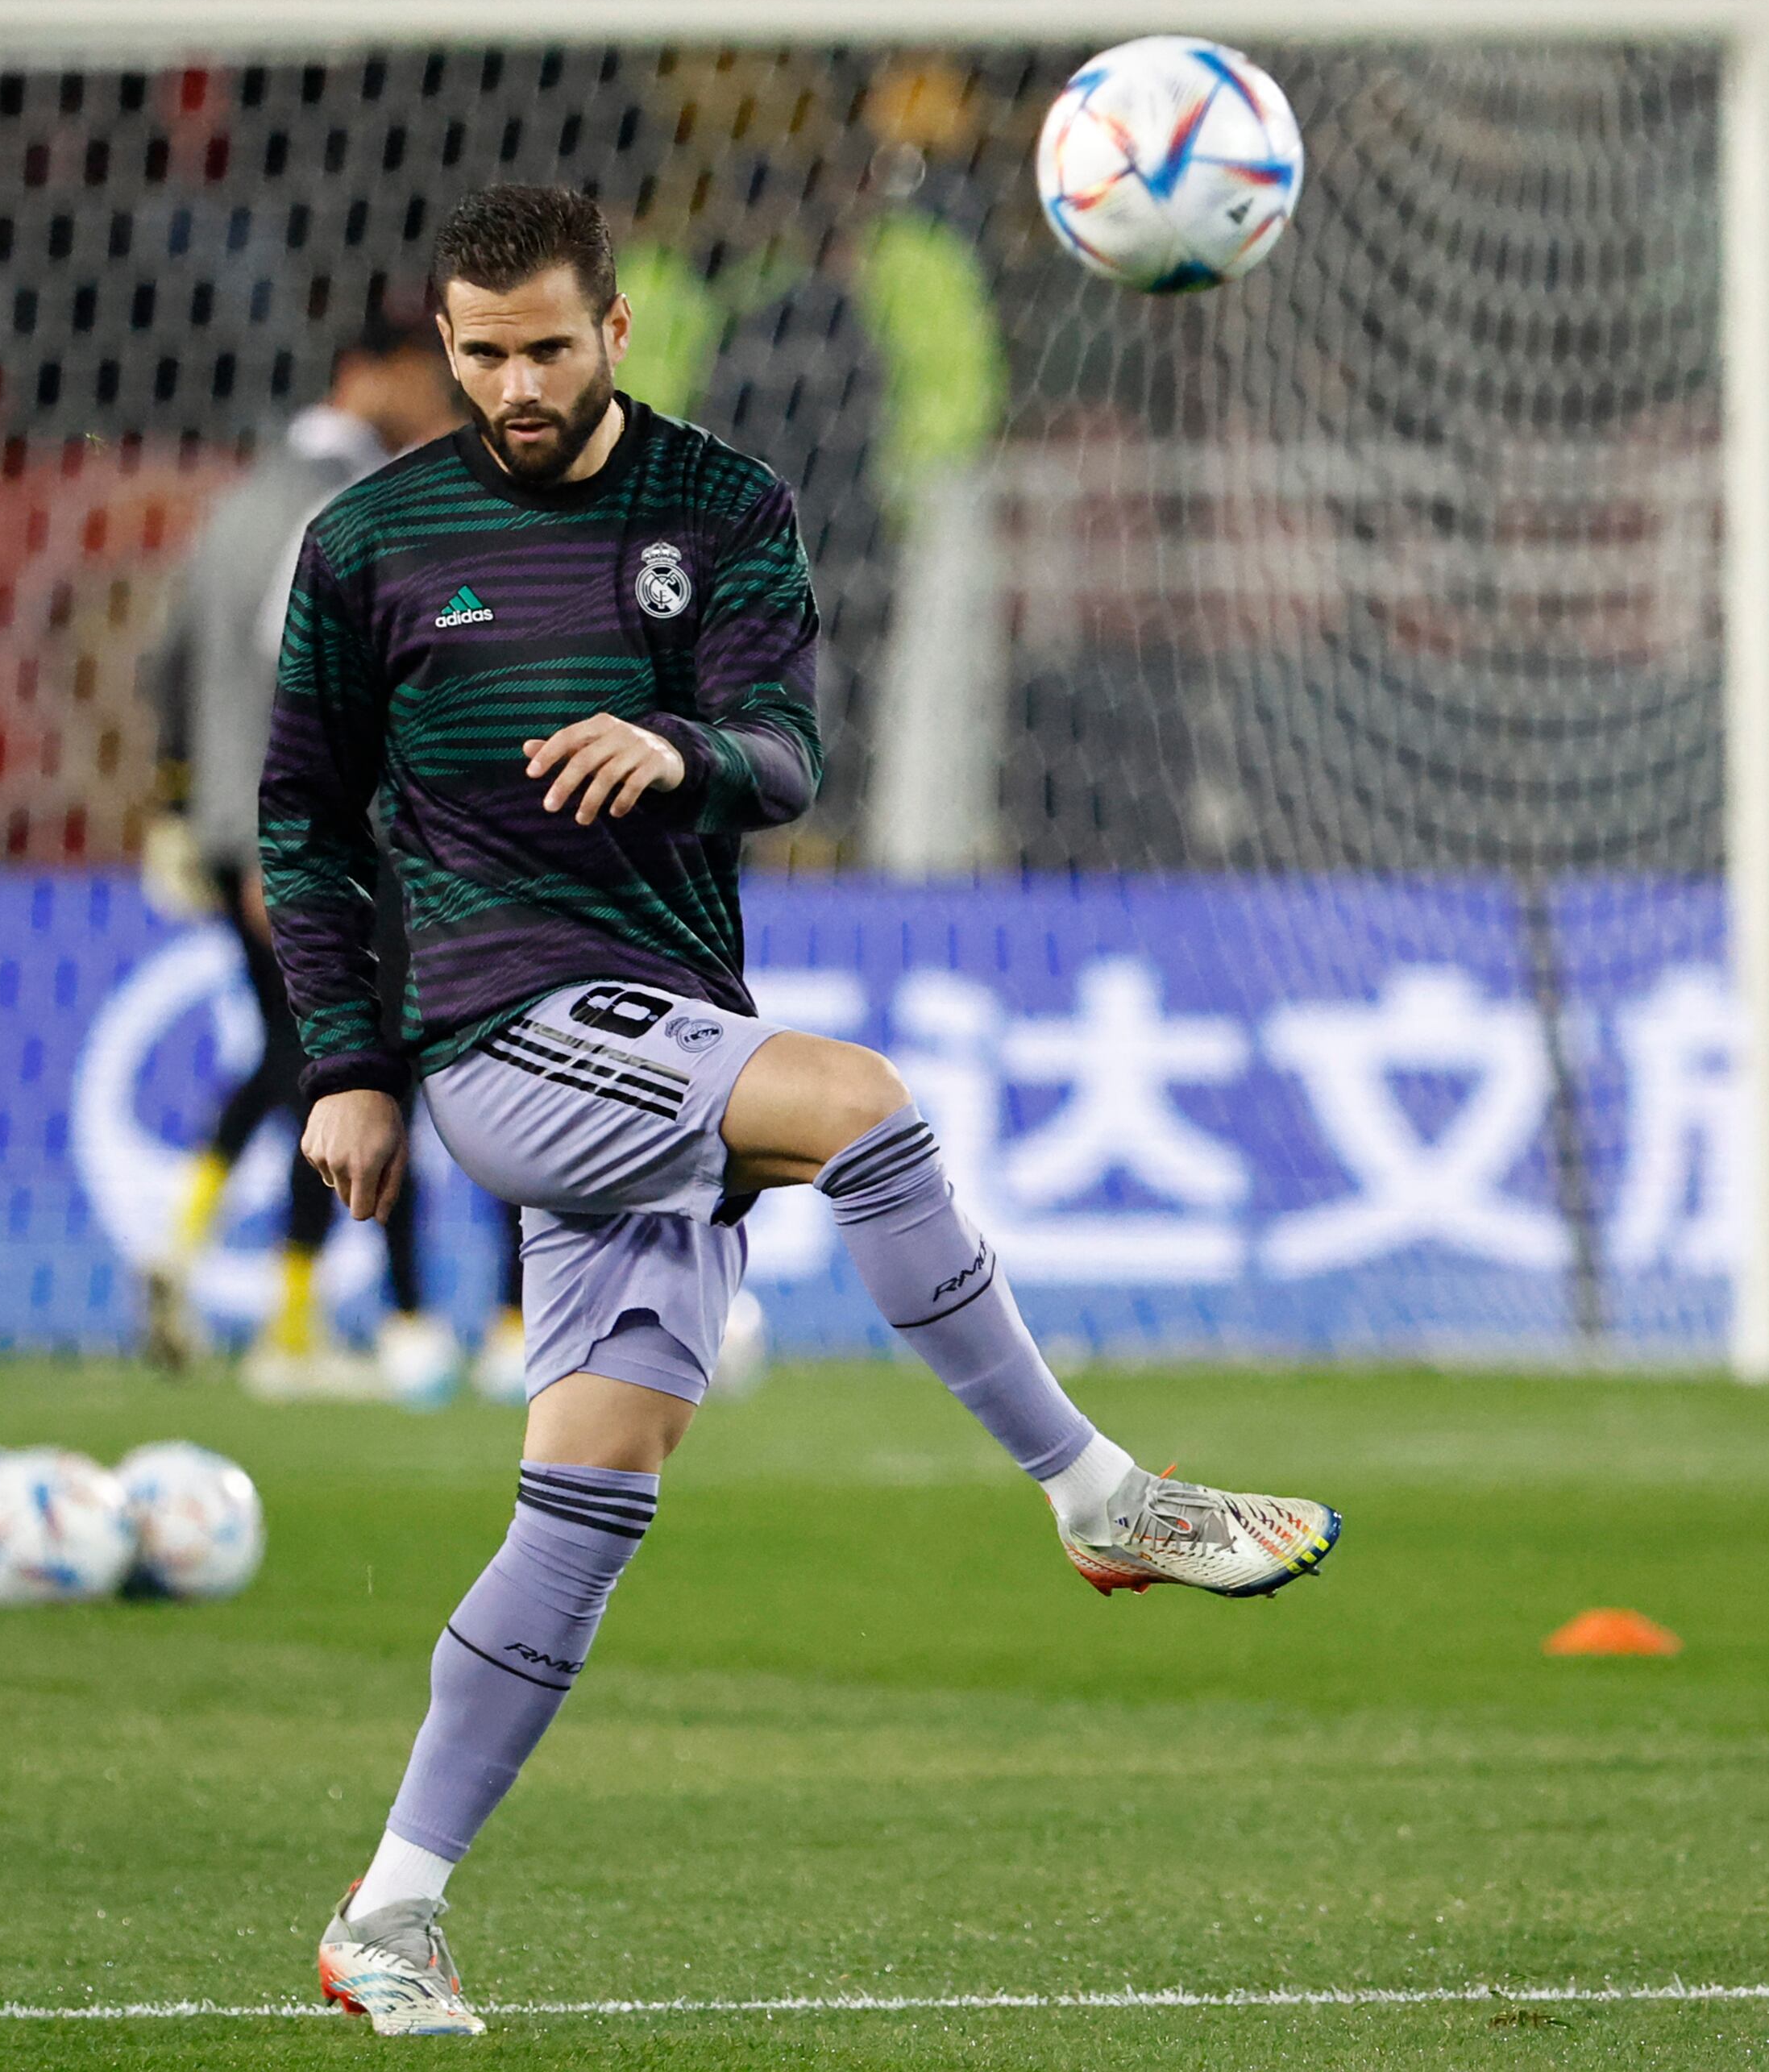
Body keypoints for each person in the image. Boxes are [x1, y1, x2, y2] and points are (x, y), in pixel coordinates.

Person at [262, 186, 1339, 2037]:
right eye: (479, 351)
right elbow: (302, 821)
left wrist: (677, 747)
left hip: (661, 1020)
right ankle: (1102, 1492)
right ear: (445, 345)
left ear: (615, 328)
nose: (513, 383)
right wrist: (351, 1060)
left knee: (590, 1496)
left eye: (545, 345)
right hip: (504, 1034)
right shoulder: (366, 541)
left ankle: (392, 1908)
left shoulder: (722, 509)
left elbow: (785, 750)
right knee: (862, 1105)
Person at [143, 313, 467, 1400]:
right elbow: (306, 678)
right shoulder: (348, 505)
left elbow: (171, 661)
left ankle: (203, 1255)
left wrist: (191, 809)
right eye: (427, 377)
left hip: (239, 827)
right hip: (317, 834)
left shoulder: (236, 500)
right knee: (341, 1067)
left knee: (298, 1059)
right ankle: (290, 1320)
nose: (439, 404)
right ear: (365, 374)